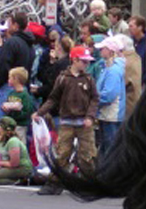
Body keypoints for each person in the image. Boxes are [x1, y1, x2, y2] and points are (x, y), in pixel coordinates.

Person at [33, 45, 100, 195]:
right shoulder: (63, 78)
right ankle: (54, 183)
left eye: (87, 62)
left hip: (84, 123)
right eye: (83, 61)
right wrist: (40, 112)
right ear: (74, 60)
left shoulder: (89, 79)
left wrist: (90, 116)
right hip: (67, 122)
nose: (86, 64)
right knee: (62, 153)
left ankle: (88, 183)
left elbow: (95, 99)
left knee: (87, 155)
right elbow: (53, 98)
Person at [0, 12, 35, 131]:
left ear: (15, 25)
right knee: (16, 128)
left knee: (0, 128)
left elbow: (2, 65)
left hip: (7, 86)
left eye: (10, 23)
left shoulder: (12, 43)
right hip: (22, 87)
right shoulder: (30, 45)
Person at [95, 36, 126, 159]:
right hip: (107, 115)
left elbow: (108, 96)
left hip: (110, 116)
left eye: (103, 48)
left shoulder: (112, 71)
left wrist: (92, 101)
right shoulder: (109, 68)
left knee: (109, 150)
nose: (100, 50)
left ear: (111, 51)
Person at [0, 116, 33, 185]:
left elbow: (14, 164)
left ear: (5, 129)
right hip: (7, 166)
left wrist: (0, 163)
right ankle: (10, 177)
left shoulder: (13, 141)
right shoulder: (1, 141)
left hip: (21, 168)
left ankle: (18, 181)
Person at [0, 66, 35, 144]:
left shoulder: (25, 95)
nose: (8, 80)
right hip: (11, 125)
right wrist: (6, 109)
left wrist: (17, 113)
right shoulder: (11, 93)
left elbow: (27, 111)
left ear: (16, 79)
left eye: (10, 78)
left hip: (20, 125)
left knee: (20, 142)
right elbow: (7, 106)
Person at [128, 15, 146, 86]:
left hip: (144, 82)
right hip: (131, 80)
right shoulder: (130, 41)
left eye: (131, 26)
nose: (129, 28)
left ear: (140, 27)